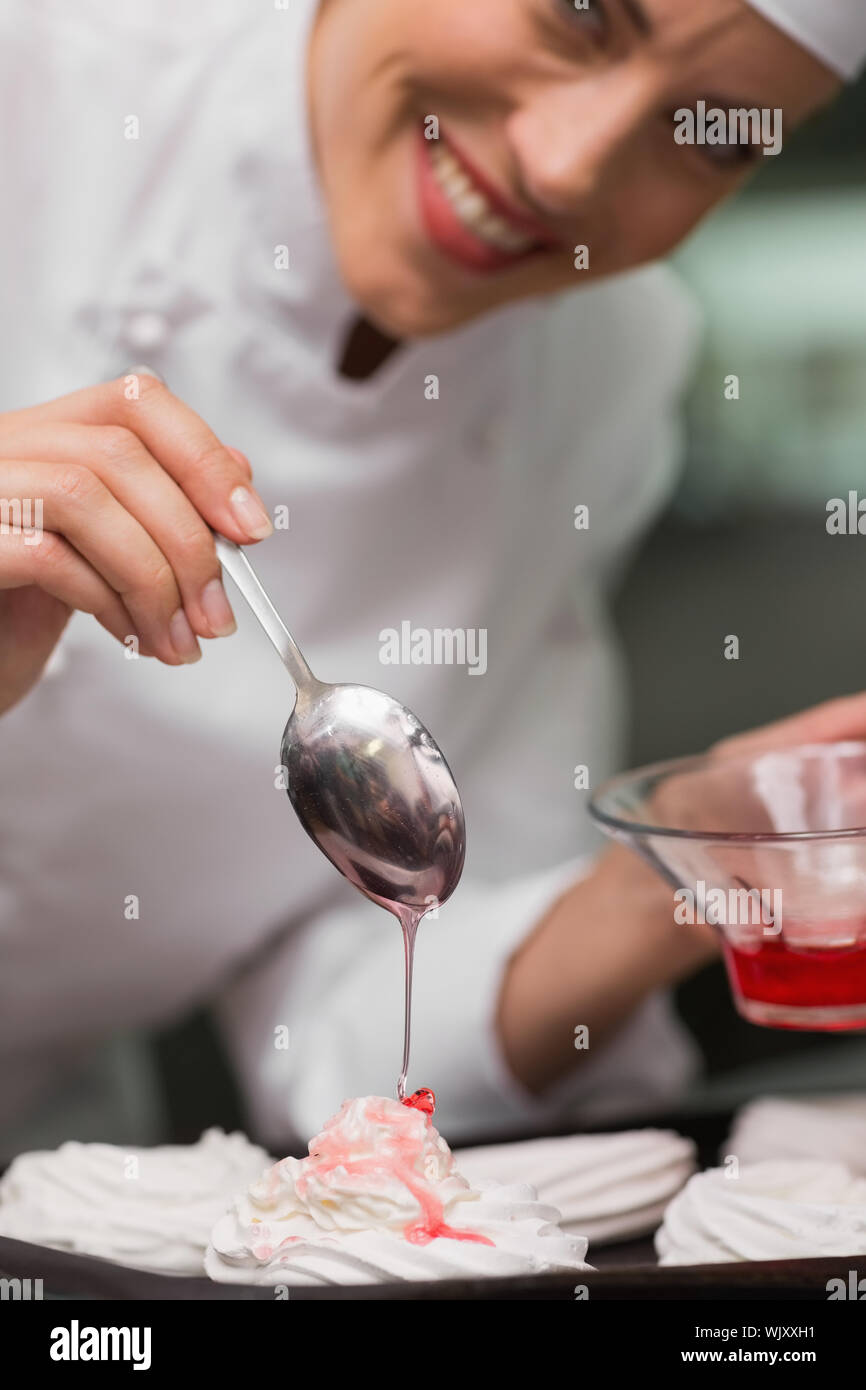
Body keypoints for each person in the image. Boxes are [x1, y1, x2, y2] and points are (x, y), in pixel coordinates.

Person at [0, 0, 863, 1150]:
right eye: (580, 12)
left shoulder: (599, 360)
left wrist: (683, 864)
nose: (562, 166)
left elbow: (357, 1010)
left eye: (710, 136)